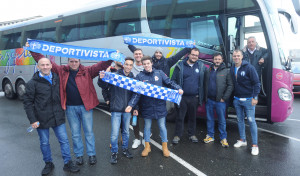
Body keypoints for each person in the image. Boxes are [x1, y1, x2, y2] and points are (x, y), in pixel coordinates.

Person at [28, 43, 112, 165]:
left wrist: (111, 57)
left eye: (76, 61)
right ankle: (79, 156)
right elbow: (42, 60)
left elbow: (101, 65)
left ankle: (91, 154)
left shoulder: (88, 71)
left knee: (89, 132)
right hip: (70, 108)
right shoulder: (62, 70)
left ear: (79, 61)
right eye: (71, 61)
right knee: (75, 133)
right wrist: (32, 49)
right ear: (68, 62)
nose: (73, 63)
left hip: (86, 107)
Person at [23, 58, 80, 175]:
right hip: (41, 118)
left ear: (51, 65)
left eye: (47, 64)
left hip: (57, 116)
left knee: (64, 141)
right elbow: (27, 103)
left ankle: (67, 162)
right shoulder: (32, 83)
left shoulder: (57, 78)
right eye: (42, 65)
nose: (45, 67)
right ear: (38, 67)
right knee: (44, 142)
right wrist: (32, 120)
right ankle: (48, 163)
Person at [125, 56, 183, 157]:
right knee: (147, 127)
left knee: (162, 127)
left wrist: (178, 88)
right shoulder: (140, 76)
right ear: (142, 65)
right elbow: (136, 93)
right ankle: (147, 147)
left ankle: (165, 147)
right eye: (144, 64)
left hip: (160, 106)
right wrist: (131, 105)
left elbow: (169, 82)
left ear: (151, 63)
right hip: (146, 107)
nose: (146, 65)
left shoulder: (159, 73)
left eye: (148, 63)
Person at [98, 57, 137, 164]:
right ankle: (114, 152)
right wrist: (102, 78)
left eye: (130, 65)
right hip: (116, 109)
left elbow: (136, 94)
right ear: (123, 65)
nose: (128, 66)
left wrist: (132, 106)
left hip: (127, 110)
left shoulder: (133, 79)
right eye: (127, 64)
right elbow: (103, 85)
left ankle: (125, 149)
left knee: (126, 132)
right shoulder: (115, 76)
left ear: (132, 66)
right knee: (115, 133)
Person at [171, 48, 208, 144]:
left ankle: (191, 134)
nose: (194, 56)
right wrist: (178, 88)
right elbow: (173, 80)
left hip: (194, 98)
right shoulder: (180, 66)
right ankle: (177, 135)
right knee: (180, 117)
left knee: (193, 117)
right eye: (193, 54)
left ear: (198, 56)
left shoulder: (201, 66)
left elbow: (205, 81)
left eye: (196, 55)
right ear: (189, 55)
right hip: (182, 97)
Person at [230, 49, 260, 155]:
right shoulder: (232, 68)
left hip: (248, 100)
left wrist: (255, 97)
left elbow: (256, 83)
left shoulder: (249, 68)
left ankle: (255, 145)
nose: (236, 58)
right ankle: (242, 140)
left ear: (242, 57)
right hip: (237, 100)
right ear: (232, 57)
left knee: (251, 122)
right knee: (240, 120)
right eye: (234, 56)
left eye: (238, 56)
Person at [203, 53, 233, 147]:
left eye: (219, 59)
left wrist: (224, 98)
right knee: (209, 119)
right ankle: (210, 136)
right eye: (215, 59)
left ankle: (223, 138)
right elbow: (205, 84)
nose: (217, 61)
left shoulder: (227, 71)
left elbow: (230, 85)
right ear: (212, 60)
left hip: (220, 101)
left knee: (222, 120)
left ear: (222, 60)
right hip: (209, 100)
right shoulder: (208, 70)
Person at [128, 47, 144, 149]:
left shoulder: (147, 66)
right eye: (136, 54)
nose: (138, 55)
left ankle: (146, 139)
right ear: (134, 55)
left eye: (140, 54)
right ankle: (137, 138)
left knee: (147, 119)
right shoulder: (130, 66)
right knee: (134, 119)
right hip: (133, 97)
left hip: (145, 98)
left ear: (142, 55)